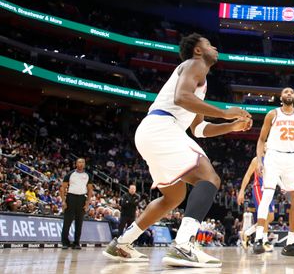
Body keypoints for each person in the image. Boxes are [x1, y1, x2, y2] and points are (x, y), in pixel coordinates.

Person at [104, 33, 252, 267]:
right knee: (209, 178)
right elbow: (181, 97)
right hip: (163, 126)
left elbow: (200, 129)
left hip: (153, 132)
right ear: (198, 50)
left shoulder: (199, 79)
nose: (214, 46)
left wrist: (232, 125)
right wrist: (225, 112)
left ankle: (122, 243)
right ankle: (183, 245)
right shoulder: (196, 64)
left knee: (173, 196)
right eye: (208, 43)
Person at [254, 87, 294, 257]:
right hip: (273, 156)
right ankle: (259, 239)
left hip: (291, 158)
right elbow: (261, 140)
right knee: (267, 195)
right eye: (285, 92)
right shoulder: (272, 114)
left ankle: (290, 244)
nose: (288, 94)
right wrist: (259, 160)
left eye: (291, 92)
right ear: (280, 97)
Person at [236, 156, 275, 252]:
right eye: (265, 144)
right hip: (259, 188)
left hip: (269, 188)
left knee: (271, 217)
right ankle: (264, 241)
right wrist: (242, 191)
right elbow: (247, 175)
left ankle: (247, 233)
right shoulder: (256, 160)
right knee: (264, 215)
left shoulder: (273, 158)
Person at [60, 158, 93, 249]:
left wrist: (87, 203)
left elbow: (90, 190)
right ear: (76, 164)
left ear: (85, 164)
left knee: (79, 223)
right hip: (71, 198)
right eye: (79, 162)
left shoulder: (88, 175)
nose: (81, 164)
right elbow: (62, 188)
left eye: (83, 162)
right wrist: (63, 201)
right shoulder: (70, 174)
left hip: (82, 198)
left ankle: (76, 243)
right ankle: (65, 243)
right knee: (67, 222)